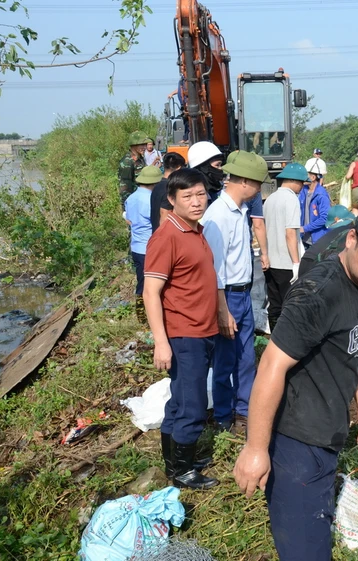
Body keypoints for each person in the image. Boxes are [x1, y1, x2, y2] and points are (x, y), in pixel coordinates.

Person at [233, 202, 358, 561]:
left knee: (314, 529)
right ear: (351, 239)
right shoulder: (319, 293)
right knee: (305, 548)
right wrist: (255, 449)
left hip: (328, 428)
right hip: (296, 439)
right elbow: (270, 366)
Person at [143, 168, 219, 490]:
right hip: (184, 334)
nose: (196, 201)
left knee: (180, 399)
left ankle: (175, 463)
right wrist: (161, 342)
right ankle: (184, 472)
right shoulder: (167, 236)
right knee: (193, 404)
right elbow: (150, 292)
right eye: (187, 197)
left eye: (200, 194)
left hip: (202, 330)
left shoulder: (195, 230)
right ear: (172, 200)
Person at [201, 151, 268, 435]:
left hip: (242, 293)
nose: (259, 190)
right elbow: (213, 269)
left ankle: (243, 411)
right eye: (257, 184)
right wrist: (222, 310)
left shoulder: (240, 212)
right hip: (226, 295)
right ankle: (223, 415)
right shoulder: (218, 215)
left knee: (245, 356)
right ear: (243, 182)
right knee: (225, 360)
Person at [262, 162, 306, 332]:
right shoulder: (291, 200)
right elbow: (290, 233)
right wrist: (296, 263)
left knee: (275, 304)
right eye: (302, 183)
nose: (302, 187)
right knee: (291, 305)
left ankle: (275, 336)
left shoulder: (270, 199)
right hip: (286, 262)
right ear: (294, 181)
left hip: (270, 261)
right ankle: (288, 341)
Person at [125, 165, 163, 325]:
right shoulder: (150, 200)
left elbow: (128, 219)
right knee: (152, 286)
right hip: (150, 248)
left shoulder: (131, 198)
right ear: (155, 183)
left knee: (141, 281)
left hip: (136, 247)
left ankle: (141, 317)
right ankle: (148, 317)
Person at [299, 160, 332, 247]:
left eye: (306, 174)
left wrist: (304, 228)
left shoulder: (321, 195)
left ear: (313, 177)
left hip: (317, 240)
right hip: (304, 238)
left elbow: (324, 219)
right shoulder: (303, 191)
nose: (303, 176)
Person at [151, 152, 186, 232]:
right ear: (179, 168)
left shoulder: (157, 186)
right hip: (164, 237)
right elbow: (164, 215)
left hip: (155, 234)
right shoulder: (170, 188)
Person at [118, 131, 150, 208]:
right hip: (134, 202)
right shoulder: (127, 161)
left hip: (142, 199)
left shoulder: (140, 158)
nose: (145, 147)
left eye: (145, 144)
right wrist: (127, 207)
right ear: (134, 144)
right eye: (142, 144)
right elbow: (124, 186)